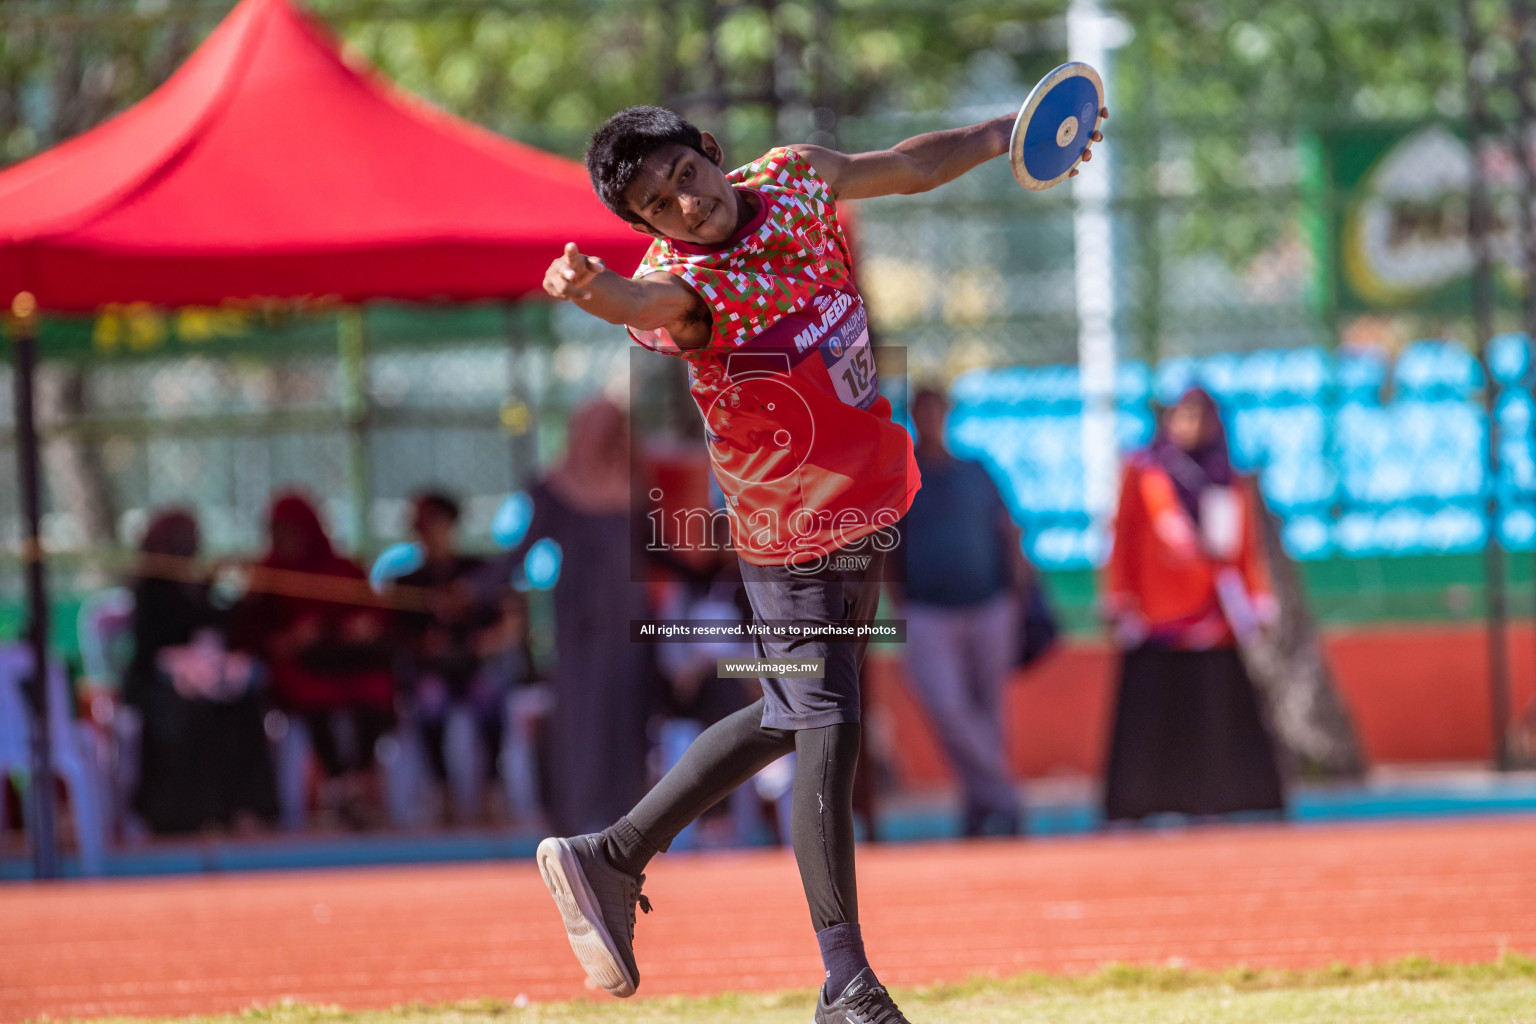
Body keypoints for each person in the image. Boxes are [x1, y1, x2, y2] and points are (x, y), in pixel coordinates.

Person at [535, 103, 1103, 1024]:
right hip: (788, 530)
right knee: (825, 720)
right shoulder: (683, 284)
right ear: (644, 228)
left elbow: (913, 164)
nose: (683, 205)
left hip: (866, 502)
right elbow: (639, 306)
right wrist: (589, 287)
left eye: (683, 175)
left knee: (792, 708)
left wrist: (1012, 129)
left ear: (710, 155)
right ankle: (846, 981)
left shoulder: (794, 178)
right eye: (655, 205)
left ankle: (614, 853)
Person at [1100, 388, 1287, 823]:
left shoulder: (1227, 478)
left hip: (1213, 615)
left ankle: (1220, 798)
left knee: (1214, 709)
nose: (1189, 426)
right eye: (1180, 416)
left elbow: (1243, 548)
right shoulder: (1144, 471)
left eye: (1198, 417)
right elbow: (1124, 535)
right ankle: (1146, 801)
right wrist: (1120, 598)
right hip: (1157, 616)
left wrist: (1255, 601)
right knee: (1154, 711)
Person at [494, 397, 655, 837]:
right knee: (581, 723)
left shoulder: (632, 485)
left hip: (630, 625)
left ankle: (629, 825)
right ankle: (578, 824)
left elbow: (656, 554)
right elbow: (517, 555)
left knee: (626, 721)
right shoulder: (553, 488)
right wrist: (471, 591)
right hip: (581, 625)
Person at [895, 387, 1025, 838]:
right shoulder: (898, 474)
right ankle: (1005, 795)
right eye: (922, 410)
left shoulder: (976, 471)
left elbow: (1007, 528)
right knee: (948, 709)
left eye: (937, 410)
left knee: (989, 711)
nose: (930, 419)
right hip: (926, 612)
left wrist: (1019, 591)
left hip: (989, 603)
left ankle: (983, 805)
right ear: (912, 415)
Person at [230, 493, 395, 829]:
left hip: (347, 662)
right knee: (311, 695)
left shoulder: (342, 568)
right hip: (301, 667)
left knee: (376, 689)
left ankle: (357, 779)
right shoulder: (268, 575)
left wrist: (361, 627)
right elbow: (248, 634)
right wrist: (286, 641)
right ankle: (337, 782)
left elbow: (378, 618)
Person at [126, 508, 277, 834]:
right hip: (158, 684)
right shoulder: (153, 586)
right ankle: (186, 814)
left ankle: (242, 807)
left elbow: (214, 621)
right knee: (189, 714)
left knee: (243, 707)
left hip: (203, 677)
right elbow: (163, 642)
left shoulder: (194, 583)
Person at [394, 491, 530, 824]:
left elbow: (513, 621)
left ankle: (491, 792)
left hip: (479, 667)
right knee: (429, 703)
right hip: (435, 671)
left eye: (434, 522)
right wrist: (426, 645)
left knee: (489, 699)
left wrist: (486, 643)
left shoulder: (480, 570)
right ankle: (444, 794)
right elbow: (400, 636)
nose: (428, 531)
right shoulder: (408, 580)